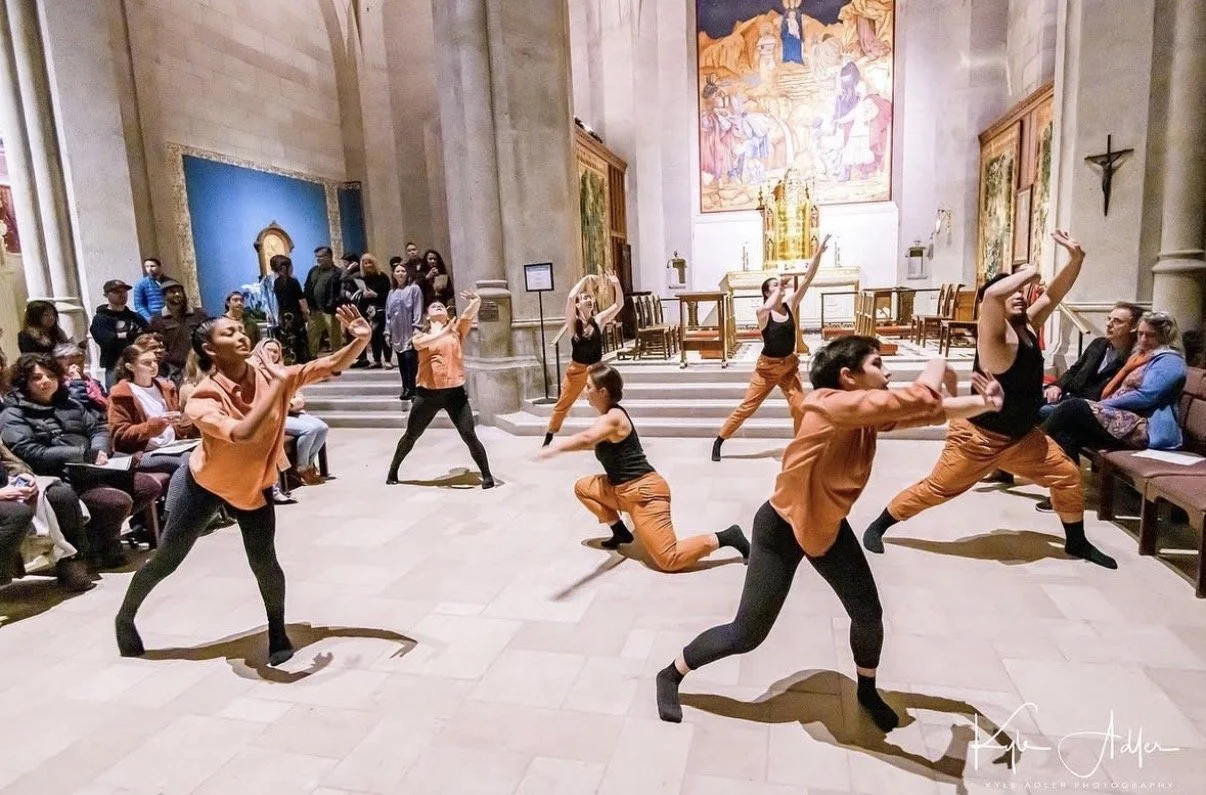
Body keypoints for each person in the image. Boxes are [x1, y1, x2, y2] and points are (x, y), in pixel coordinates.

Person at [653, 336, 1005, 725]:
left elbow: (927, 412)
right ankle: (670, 674)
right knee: (746, 634)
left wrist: (985, 404)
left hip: (827, 529)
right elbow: (920, 397)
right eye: (876, 364)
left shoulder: (861, 413)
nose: (887, 372)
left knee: (868, 614)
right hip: (781, 528)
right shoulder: (826, 404)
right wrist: (939, 361)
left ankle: (867, 691)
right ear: (848, 377)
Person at [114, 304, 372, 664]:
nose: (240, 335)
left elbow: (326, 366)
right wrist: (279, 386)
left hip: (253, 486)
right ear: (209, 349)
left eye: (240, 330)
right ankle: (124, 617)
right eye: (229, 333)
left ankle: (278, 632)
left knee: (265, 562)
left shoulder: (269, 375)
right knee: (167, 560)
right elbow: (241, 433)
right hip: (203, 483)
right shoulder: (203, 396)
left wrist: (359, 340)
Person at [863, 231, 1119, 569]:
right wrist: (1029, 272)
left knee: (1068, 475)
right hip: (976, 440)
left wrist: (1076, 260)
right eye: (1009, 291)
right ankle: (879, 526)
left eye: (1020, 293)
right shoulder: (994, 341)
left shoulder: (1027, 324)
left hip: (1022, 437)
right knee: (936, 490)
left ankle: (1076, 542)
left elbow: (1055, 294)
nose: (1017, 296)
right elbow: (993, 296)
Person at [536, 362, 751, 570]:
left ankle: (728, 536)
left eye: (588, 387)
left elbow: (587, 438)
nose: (585, 391)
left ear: (602, 392)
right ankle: (620, 531)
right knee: (583, 487)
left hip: (646, 494)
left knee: (669, 559)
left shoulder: (614, 418)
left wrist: (555, 448)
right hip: (620, 489)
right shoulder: (605, 418)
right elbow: (594, 442)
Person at [0, 353, 162, 570]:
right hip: (61, 476)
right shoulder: (13, 413)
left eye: (50, 375)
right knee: (116, 501)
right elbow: (31, 452)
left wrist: (98, 450)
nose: (45, 381)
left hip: (93, 467)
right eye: (36, 378)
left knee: (148, 486)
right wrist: (81, 454)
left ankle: (99, 537)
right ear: (23, 382)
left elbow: (98, 428)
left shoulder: (70, 404)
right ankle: (100, 543)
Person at [712, 236, 829, 461]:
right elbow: (764, 307)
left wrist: (818, 255)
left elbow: (807, 280)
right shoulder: (763, 313)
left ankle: (801, 448)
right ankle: (719, 440)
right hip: (766, 369)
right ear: (767, 292)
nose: (780, 287)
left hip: (788, 367)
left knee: (799, 406)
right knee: (748, 407)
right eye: (774, 285)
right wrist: (780, 287)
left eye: (779, 284)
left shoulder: (790, 305)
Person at [1040, 311, 1186, 479]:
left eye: (1150, 335)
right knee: (1067, 431)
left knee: (1073, 407)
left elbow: (1147, 396)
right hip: (1123, 416)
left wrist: (1105, 405)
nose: (1144, 339)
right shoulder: (1140, 356)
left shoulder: (1170, 360)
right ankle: (1067, 490)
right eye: (1141, 334)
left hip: (1145, 426)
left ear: (1165, 336)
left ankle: (1031, 450)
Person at [385, 292, 495, 488]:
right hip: (428, 395)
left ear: (447, 314)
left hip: (455, 394)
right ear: (427, 315)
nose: (438, 307)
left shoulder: (457, 331)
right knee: (412, 435)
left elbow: (468, 315)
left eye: (442, 307)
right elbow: (420, 344)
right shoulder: (421, 335)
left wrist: (476, 301)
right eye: (434, 306)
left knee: (469, 434)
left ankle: (487, 475)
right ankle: (393, 469)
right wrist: (443, 332)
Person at [0, 440, 95, 592]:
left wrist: (24, 476)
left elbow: (10, 460)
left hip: (7, 486)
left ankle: (71, 563)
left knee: (63, 496)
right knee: (18, 514)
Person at [543, 271, 625, 446]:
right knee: (563, 403)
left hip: (596, 369)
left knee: (605, 400)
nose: (590, 300)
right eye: (585, 298)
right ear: (579, 305)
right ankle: (549, 436)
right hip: (577, 370)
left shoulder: (599, 320)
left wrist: (616, 284)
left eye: (591, 298)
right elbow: (571, 298)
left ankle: (609, 432)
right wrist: (585, 279)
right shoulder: (573, 323)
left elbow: (619, 304)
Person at [108, 344, 198, 476]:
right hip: (142, 453)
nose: (153, 366)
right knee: (187, 461)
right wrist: (156, 425)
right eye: (146, 363)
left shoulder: (167, 388)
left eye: (155, 361)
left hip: (173, 446)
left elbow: (176, 430)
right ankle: (175, 497)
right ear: (130, 367)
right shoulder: (122, 394)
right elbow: (120, 436)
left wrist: (184, 423)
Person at [251, 340, 330, 485]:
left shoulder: (283, 370)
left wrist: (294, 402)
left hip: (290, 410)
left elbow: (298, 394)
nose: (273, 354)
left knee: (322, 427)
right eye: (269, 350)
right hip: (273, 416)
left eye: (276, 351)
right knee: (309, 429)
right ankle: (300, 468)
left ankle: (308, 464)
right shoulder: (253, 371)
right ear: (260, 350)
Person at [90, 279, 149, 388]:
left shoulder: (135, 317)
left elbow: (148, 335)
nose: (122, 295)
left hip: (138, 363)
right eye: (116, 292)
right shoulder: (101, 319)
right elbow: (108, 341)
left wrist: (125, 336)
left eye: (124, 291)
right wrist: (131, 336)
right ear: (106, 295)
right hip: (115, 365)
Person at [150, 279, 209, 383]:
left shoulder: (199, 315)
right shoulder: (157, 320)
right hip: (173, 368)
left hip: (199, 365)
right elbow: (155, 343)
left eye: (179, 291)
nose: (177, 294)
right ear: (164, 296)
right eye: (172, 292)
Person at [386, 259, 424, 401]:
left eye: (403, 271)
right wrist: (387, 332)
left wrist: (417, 327)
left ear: (407, 274)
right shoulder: (392, 293)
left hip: (410, 330)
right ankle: (406, 388)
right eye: (398, 271)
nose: (401, 273)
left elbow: (417, 309)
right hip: (397, 333)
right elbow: (388, 315)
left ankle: (414, 389)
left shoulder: (414, 289)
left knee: (410, 360)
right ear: (394, 274)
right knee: (401, 361)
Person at [356, 253, 393, 369]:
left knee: (384, 335)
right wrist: (364, 295)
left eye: (370, 262)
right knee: (373, 337)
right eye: (365, 263)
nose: (368, 265)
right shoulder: (362, 278)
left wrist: (375, 295)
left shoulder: (382, 277)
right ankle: (376, 360)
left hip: (382, 309)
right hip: (368, 310)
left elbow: (388, 294)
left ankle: (388, 359)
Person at [272, 255, 311, 365]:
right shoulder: (293, 281)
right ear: (285, 268)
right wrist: (306, 314)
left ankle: (290, 361)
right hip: (294, 315)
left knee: (287, 339)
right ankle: (302, 361)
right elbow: (301, 299)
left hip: (283, 316)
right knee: (299, 339)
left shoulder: (276, 282)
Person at [304, 246, 342, 355]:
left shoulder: (337, 272)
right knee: (312, 335)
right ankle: (311, 357)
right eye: (317, 257)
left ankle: (337, 356)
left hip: (330, 309)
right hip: (315, 309)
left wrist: (335, 305)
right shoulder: (314, 271)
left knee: (334, 335)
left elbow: (339, 291)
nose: (318, 259)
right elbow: (307, 286)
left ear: (329, 256)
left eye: (321, 256)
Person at [55, 343, 108, 421]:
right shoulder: (59, 386)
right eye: (70, 364)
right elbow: (78, 405)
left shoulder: (94, 383)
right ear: (59, 366)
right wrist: (76, 380)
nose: (77, 367)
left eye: (80, 363)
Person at [132, 257, 168, 322]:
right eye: (147, 267)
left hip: (170, 316)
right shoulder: (141, 284)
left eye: (152, 266)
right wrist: (149, 318)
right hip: (153, 317)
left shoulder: (169, 282)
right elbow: (139, 305)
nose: (150, 269)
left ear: (160, 266)